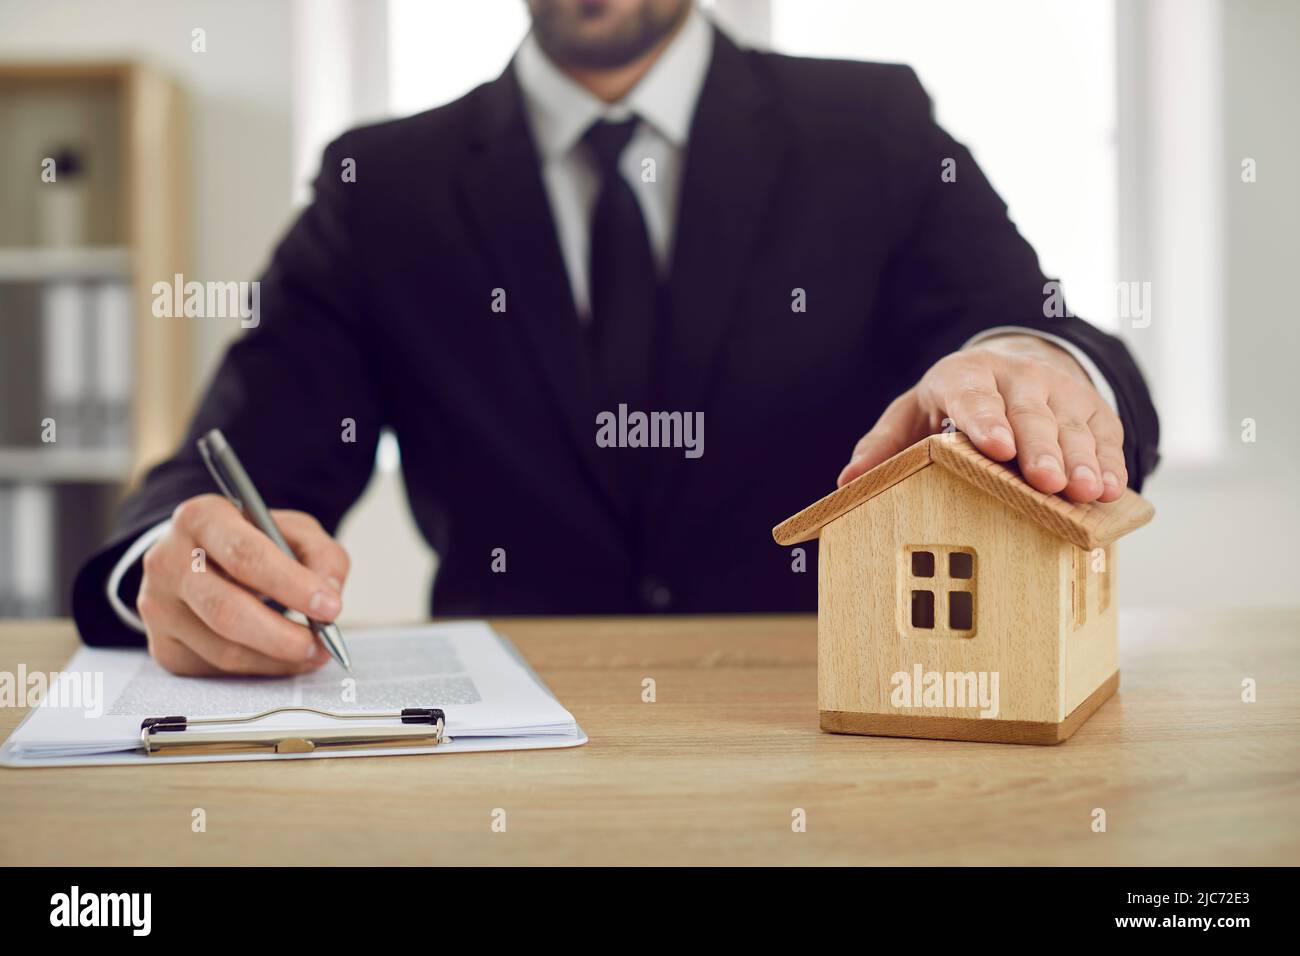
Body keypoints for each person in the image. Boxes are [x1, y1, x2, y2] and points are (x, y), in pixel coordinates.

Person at [72, 0, 1159, 676]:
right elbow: (233, 464)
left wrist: (1032, 366)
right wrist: (169, 567)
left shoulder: (870, 126)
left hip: (839, 730)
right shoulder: (382, 187)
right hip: (507, 776)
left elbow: (1037, 331)